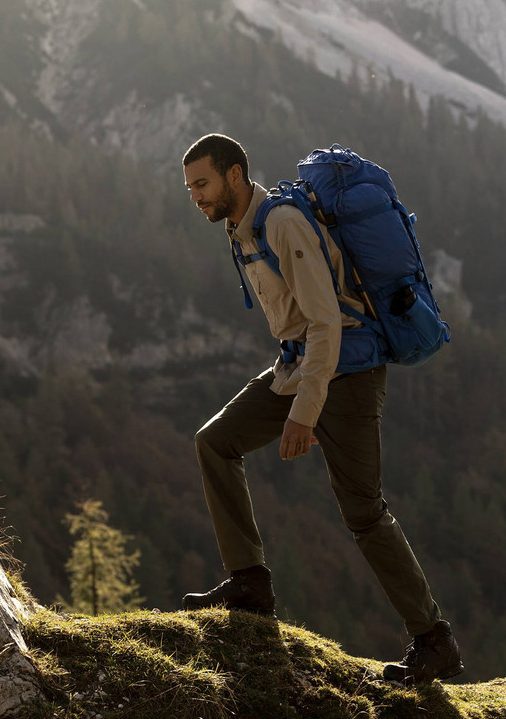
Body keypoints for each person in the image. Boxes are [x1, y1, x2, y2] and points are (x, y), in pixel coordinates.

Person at [179, 133, 463, 684]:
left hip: (346, 373)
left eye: (202, 184)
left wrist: (305, 411)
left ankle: (434, 641)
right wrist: (298, 387)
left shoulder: (281, 224)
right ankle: (249, 582)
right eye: (190, 187)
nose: (195, 197)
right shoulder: (242, 229)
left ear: (235, 175)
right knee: (215, 441)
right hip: (300, 366)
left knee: (363, 511)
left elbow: (327, 321)